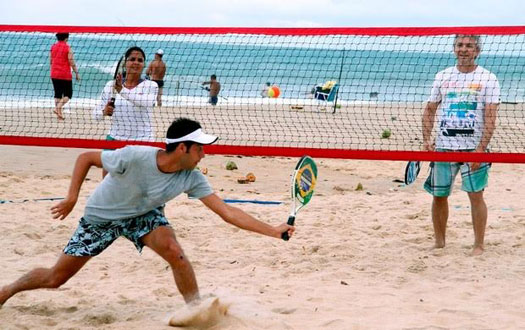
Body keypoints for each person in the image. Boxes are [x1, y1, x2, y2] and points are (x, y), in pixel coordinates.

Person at [0, 117, 295, 309]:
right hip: (101, 218)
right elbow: (86, 157)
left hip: (144, 215)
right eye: (200, 148)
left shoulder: (192, 177)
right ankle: (7, 291)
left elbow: (227, 212)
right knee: (55, 278)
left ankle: (195, 309)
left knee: (175, 251)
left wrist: (273, 230)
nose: (204, 154)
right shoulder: (135, 156)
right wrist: (71, 197)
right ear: (182, 148)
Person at [422, 35, 500, 256]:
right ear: (454, 49)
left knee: (476, 195)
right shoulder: (443, 76)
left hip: (473, 148)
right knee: (439, 195)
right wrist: (426, 139)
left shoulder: (488, 78)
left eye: (469, 46)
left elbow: (491, 115)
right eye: (460, 45)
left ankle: (479, 245)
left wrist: (481, 149)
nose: (463, 49)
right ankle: (439, 242)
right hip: (444, 147)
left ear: (477, 51)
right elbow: (430, 109)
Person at [92, 46, 158, 177]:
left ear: (144, 64)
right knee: (107, 180)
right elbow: (95, 116)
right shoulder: (110, 86)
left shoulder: (151, 85)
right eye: (132, 59)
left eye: (140, 60)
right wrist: (104, 111)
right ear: (125, 63)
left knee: (138, 182)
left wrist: (121, 90)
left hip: (142, 141)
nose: (136, 62)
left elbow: (147, 102)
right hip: (115, 138)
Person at [50, 32, 80, 120]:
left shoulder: (53, 47)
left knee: (58, 94)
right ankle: (58, 108)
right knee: (68, 94)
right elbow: (71, 61)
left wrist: (52, 70)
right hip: (65, 74)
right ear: (66, 38)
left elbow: (50, 60)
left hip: (54, 73)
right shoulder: (67, 47)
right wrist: (76, 73)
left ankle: (59, 114)